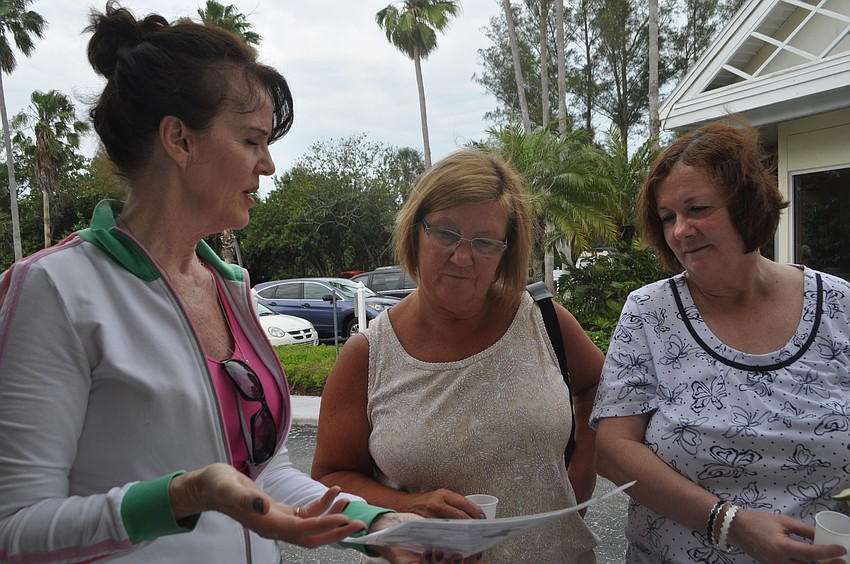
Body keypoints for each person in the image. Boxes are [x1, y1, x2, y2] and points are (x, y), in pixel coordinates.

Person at [0, 4, 473, 563]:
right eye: (251, 141)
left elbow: (264, 473)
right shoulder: (55, 289)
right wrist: (183, 496)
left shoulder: (232, 290)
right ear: (180, 140)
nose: (268, 165)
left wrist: (380, 522)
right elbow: (14, 527)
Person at [311, 148, 604, 563]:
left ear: (506, 251)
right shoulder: (369, 355)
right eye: (446, 233)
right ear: (415, 231)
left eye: (484, 242)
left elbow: (600, 388)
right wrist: (406, 508)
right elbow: (328, 480)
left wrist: (577, 486)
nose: (462, 256)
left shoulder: (542, 320)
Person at [590, 118, 850, 563]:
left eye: (697, 209)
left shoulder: (839, 305)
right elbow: (614, 451)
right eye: (668, 217)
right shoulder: (649, 313)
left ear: (746, 204)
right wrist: (732, 524)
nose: (680, 231)